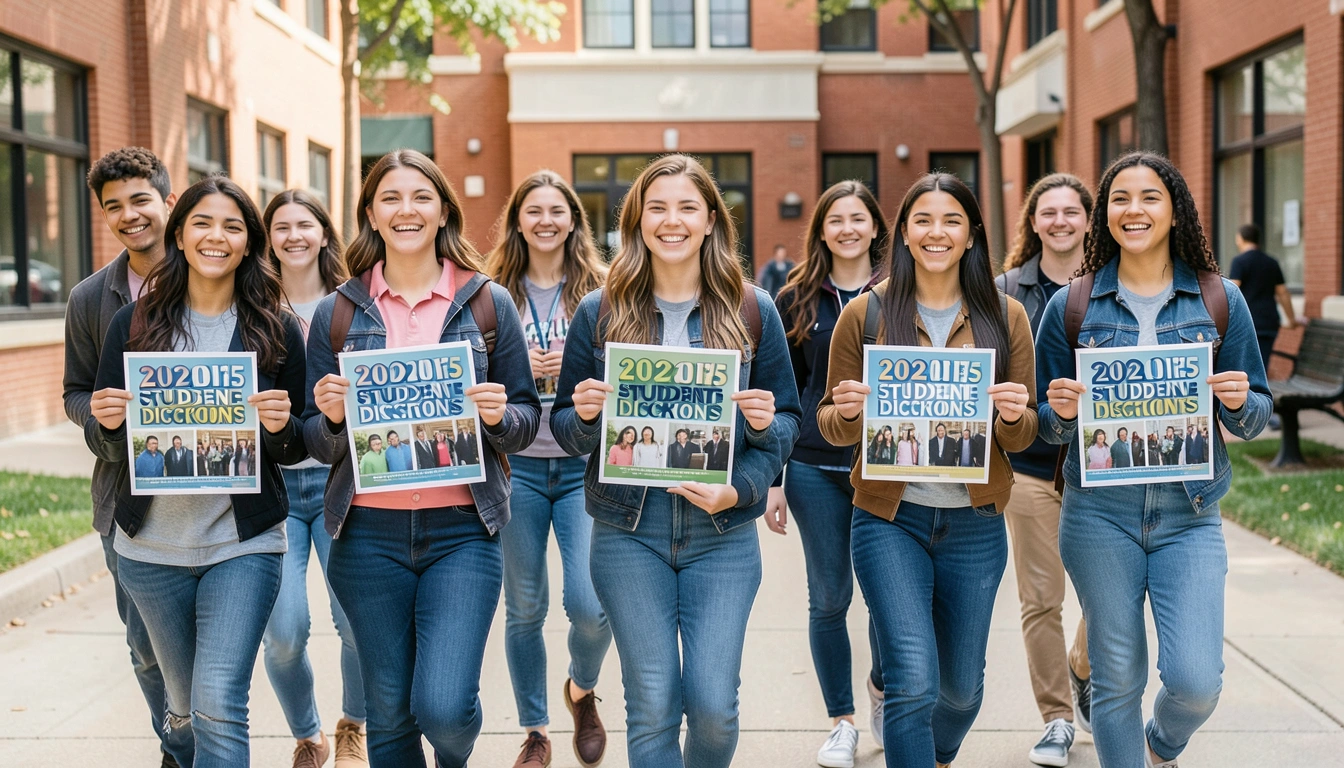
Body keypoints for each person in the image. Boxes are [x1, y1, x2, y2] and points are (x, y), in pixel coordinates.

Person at [551, 153, 800, 768]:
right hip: (628, 533)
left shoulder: (750, 310)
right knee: (653, 703)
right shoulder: (600, 311)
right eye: (657, 208)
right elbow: (565, 429)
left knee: (715, 710)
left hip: (722, 535)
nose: (672, 221)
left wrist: (741, 484)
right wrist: (584, 416)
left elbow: (788, 422)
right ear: (636, 221)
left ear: (711, 220)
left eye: (687, 207)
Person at [303, 149, 540, 768]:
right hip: (367, 535)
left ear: (442, 212)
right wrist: (329, 418)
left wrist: (495, 416)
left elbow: (525, 421)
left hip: (463, 529)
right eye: (390, 198)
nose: (406, 209)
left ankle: (454, 756)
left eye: (420, 197)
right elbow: (316, 443)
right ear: (371, 216)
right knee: (388, 710)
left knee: (443, 706)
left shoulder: (488, 304)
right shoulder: (337, 313)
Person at [1036, 151, 1271, 768]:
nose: (1132, 210)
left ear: (1175, 212)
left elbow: (1257, 413)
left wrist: (1242, 401)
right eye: (1119, 199)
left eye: (1148, 198)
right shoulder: (1071, 307)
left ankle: (1158, 748)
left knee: (1196, 681)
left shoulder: (1222, 301)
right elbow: (1042, 425)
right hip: (1097, 515)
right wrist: (1060, 411)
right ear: (1103, 215)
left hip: (1189, 513)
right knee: (1117, 679)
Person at [87, 175, 309, 767]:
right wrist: (107, 424)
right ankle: (180, 742)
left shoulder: (277, 329)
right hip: (150, 550)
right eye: (203, 223)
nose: (217, 236)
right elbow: (107, 446)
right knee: (183, 709)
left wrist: (280, 426)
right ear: (179, 235)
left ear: (248, 243)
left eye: (233, 226)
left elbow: (294, 447)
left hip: (244, 543)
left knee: (218, 702)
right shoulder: (132, 326)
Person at [817, 172, 1037, 768]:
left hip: (975, 523)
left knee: (961, 691)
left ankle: (934, 754)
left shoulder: (1008, 316)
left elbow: (1023, 434)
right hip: (890, 519)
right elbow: (829, 425)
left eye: (951, 221)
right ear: (905, 235)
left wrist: (1014, 414)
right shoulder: (864, 315)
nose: (936, 232)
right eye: (923, 221)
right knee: (912, 680)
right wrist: (848, 411)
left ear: (972, 236)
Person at [485, 169, 613, 768]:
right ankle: (535, 730)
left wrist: (577, 367)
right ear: (517, 221)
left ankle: (581, 688)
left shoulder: (603, 290)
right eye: (532, 210)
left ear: (573, 220)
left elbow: (629, 370)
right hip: (519, 465)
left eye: (556, 210)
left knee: (591, 603)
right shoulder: (493, 294)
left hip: (584, 463)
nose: (545, 220)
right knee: (526, 605)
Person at [767, 179, 889, 765]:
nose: (847, 228)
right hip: (816, 467)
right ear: (821, 229)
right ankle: (841, 719)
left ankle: (883, 691)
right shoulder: (793, 298)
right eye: (835, 219)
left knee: (890, 594)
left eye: (858, 218)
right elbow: (781, 394)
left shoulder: (901, 294)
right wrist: (772, 478)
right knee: (829, 596)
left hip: (886, 464)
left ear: (874, 227)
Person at [63, 146, 178, 765]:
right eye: (114, 207)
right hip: (127, 498)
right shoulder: (90, 298)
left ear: (168, 199)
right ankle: (176, 745)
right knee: (145, 646)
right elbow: (74, 391)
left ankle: (206, 745)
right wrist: (100, 412)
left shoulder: (216, 278)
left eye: (140, 200)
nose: (129, 215)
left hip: (217, 494)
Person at [259, 188, 367, 768]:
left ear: (325, 232)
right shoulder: (250, 303)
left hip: (339, 480)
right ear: (268, 238)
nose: (294, 236)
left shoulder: (352, 306)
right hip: (274, 486)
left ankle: (353, 722)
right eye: (281, 227)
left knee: (353, 620)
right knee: (283, 632)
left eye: (305, 224)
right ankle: (307, 734)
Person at [996, 172, 1095, 766]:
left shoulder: (1111, 285)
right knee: (1041, 599)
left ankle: (1082, 666)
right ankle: (1057, 719)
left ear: (1088, 219)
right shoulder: (1007, 290)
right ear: (1033, 222)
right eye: (1048, 212)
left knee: (1109, 598)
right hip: (1030, 467)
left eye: (1071, 212)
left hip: (1098, 470)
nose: (1060, 221)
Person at [1229, 223, 1298, 374]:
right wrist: (1291, 320)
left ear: (1240, 239)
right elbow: (1283, 293)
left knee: (1243, 368)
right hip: (1269, 322)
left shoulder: (1239, 261)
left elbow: (1232, 290)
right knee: (1262, 366)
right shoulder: (1272, 262)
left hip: (1246, 322)